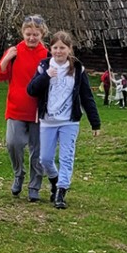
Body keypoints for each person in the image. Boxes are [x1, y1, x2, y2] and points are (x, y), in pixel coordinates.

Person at [27, 31, 101, 210]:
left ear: (69, 49)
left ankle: (61, 191)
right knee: (45, 159)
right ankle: (54, 180)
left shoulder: (77, 69)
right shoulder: (44, 66)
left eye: (62, 48)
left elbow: (86, 97)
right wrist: (46, 76)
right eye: (55, 48)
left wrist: (95, 122)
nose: (58, 51)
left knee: (66, 157)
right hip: (48, 120)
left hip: (69, 121)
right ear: (50, 49)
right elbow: (31, 90)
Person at [0, 14, 50, 202]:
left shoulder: (47, 55)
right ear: (22, 33)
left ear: (42, 34)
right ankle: (18, 174)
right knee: (13, 143)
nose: (31, 38)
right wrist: (7, 59)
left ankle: (34, 186)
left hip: (39, 111)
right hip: (16, 108)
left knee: (38, 151)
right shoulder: (15, 51)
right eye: (28, 33)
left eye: (36, 34)